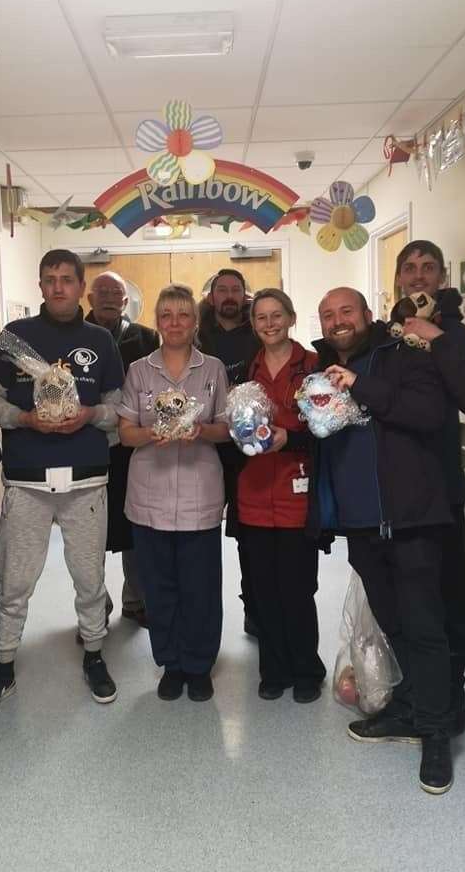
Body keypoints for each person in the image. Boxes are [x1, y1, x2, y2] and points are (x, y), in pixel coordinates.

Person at [314, 287, 455, 795]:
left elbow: (428, 415)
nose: (337, 321)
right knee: (394, 624)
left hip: (411, 520)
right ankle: (411, 710)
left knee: (425, 628)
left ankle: (437, 735)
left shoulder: (403, 355)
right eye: (328, 315)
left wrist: (362, 384)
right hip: (361, 524)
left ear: (366, 315)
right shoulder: (322, 367)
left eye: (345, 311)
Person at [0, 249, 125, 715]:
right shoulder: (14, 337)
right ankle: (2, 666)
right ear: (40, 286)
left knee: (89, 578)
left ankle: (95, 656)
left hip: (86, 481)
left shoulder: (100, 340)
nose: (58, 287)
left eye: (66, 279)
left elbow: (118, 408)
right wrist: (23, 418)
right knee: (16, 582)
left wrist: (89, 415)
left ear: (81, 286)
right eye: (49, 279)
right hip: (26, 482)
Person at [394, 241, 465, 735]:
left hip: (442, 493)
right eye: (409, 268)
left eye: (427, 268)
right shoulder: (391, 331)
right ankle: (413, 691)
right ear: (398, 278)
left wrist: (436, 337)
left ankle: (450, 697)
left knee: (449, 598)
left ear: (442, 276)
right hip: (397, 497)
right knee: (408, 603)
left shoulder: (455, 334)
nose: (418, 276)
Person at [117, 285, 229, 702]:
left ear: (195, 322)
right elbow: (126, 433)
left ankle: (199, 666)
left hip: (200, 495)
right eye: (167, 315)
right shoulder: (140, 371)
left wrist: (201, 430)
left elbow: (226, 428)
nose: (175, 323)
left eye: (183, 315)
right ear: (157, 321)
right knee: (158, 588)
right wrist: (152, 434)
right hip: (150, 498)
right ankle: (171, 663)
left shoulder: (213, 369)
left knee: (201, 587)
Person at [236, 289, 326, 702]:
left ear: (291, 317)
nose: (269, 323)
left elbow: (328, 428)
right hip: (253, 497)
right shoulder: (243, 373)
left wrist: (289, 437)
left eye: (276, 316)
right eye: (261, 318)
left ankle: (306, 670)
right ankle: (272, 669)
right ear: (253, 324)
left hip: (297, 497)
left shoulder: (315, 367)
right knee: (262, 591)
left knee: (297, 588)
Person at [86, 270, 159, 627]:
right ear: (89, 299)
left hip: (133, 451)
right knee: (87, 532)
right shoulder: (75, 337)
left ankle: (136, 599)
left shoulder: (146, 338)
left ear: (126, 301)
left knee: (135, 525)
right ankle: (95, 607)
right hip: (87, 446)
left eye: (115, 292)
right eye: (101, 292)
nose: (109, 298)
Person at [197, 268, 261, 636]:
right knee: (200, 533)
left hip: (247, 450)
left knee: (248, 535)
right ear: (212, 297)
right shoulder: (197, 337)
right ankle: (202, 618)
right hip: (203, 447)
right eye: (222, 289)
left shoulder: (258, 334)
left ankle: (254, 608)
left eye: (236, 289)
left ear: (244, 295)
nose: (229, 296)